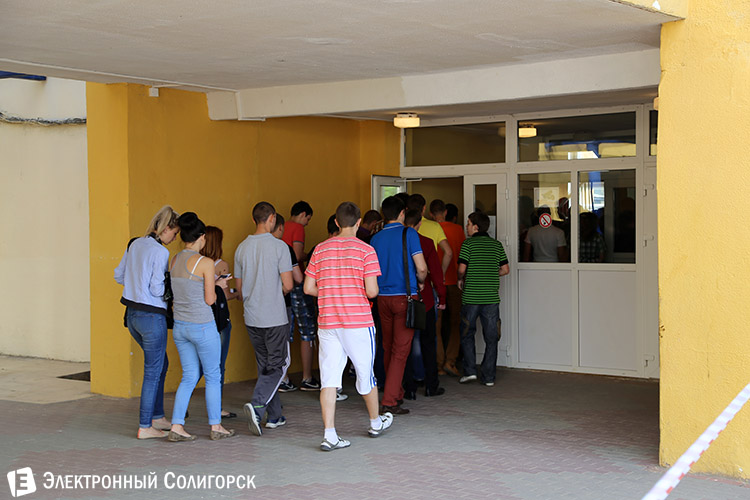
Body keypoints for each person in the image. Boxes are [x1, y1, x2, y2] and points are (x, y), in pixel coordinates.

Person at [305, 201, 394, 451]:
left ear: (336, 222)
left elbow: (309, 288)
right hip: (358, 323)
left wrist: (331, 291)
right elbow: (372, 291)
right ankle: (375, 423)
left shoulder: (320, 249)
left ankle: (330, 434)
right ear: (358, 222)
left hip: (328, 323)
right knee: (366, 374)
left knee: (329, 379)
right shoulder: (366, 251)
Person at [167, 213, 235, 441]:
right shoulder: (205, 263)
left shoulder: (174, 260)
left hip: (181, 326)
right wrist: (217, 285)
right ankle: (216, 426)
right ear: (202, 237)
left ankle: (177, 426)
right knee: (213, 375)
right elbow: (209, 299)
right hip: (203, 326)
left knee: (188, 376)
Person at [114, 205, 179, 440]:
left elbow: (119, 275)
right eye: (175, 233)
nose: (175, 239)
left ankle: (157, 416)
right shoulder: (160, 252)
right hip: (152, 317)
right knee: (153, 371)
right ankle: (145, 426)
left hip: (132, 315)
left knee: (161, 364)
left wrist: (136, 284)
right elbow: (156, 288)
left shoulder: (135, 244)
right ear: (166, 228)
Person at [235, 202, 294, 436]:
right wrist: (274, 293)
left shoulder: (241, 248)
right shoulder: (280, 247)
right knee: (279, 365)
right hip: (274, 316)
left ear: (254, 220)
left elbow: (240, 290)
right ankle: (257, 406)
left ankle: (275, 416)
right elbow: (288, 284)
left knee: (265, 367)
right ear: (272, 218)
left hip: (251, 316)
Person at [370, 196, 428, 414]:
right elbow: (421, 268)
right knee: (401, 351)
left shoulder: (375, 239)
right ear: (402, 212)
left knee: (388, 347)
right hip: (405, 297)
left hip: (382, 298)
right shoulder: (409, 233)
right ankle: (389, 400)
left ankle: (396, 391)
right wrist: (421, 282)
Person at [457, 211, 509, 387]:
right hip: (491, 298)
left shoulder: (468, 244)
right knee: (492, 337)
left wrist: (460, 279)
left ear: (476, 227)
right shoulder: (496, 245)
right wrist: (491, 274)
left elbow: (462, 269)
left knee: (467, 334)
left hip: (471, 297)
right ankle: (489, 377)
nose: (466, 226)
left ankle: (470, 371)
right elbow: (505, 269)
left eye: (468, 223)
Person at [403, 209, 446, 398]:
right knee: (429, 342)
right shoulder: (426, 243)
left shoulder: (397, 242)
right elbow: (436, 273)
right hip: (425, 299)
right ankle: (431, 385)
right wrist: (442, 297)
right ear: (419, 223)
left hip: (404, 298)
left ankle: (409, 388)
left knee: (406, 344)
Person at [200, 226, 239, 419]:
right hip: (219, 320)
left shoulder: (196, 263)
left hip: (200, 318)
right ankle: (217, 407)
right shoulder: (221, 265)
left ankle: (185, 400)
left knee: (197, 365)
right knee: (218, 365)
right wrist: (238, 293)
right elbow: (223, 295)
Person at [282, 200, 320, 391]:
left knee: (285, 333)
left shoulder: (279, 228)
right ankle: (307, 377)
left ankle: (283, 378)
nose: (306, 223)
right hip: (297, 283)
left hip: (281, 285)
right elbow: (296, 256)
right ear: (303, 214)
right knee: (307, 331)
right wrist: (310, 256)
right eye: (308, 219)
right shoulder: (297, 228)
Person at [429, 198, 465, 377]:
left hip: (436, 283)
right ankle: (451, 361)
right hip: (455, 282)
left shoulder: (428, 229)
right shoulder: (458, 230)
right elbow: (463, 255)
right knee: (455, 323)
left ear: (430, 214)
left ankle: (438, 364)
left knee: (436, 325)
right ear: (445, 212)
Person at [272, 214, 305, 393]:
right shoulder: (285, 248)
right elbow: (297, 278)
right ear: (280, 228)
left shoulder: (250, 247)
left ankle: (269, 380)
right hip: (281, 303)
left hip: (256, 305)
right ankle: (282, 379)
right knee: (282, 341)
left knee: (265, 346)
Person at [407, 194, 453, 275]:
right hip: (429, 274)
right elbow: (448, 252)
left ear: (406, 209)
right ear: (424, 208)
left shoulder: (402, 227)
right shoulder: (435, 226)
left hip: (407, 274)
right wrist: (441, 274)